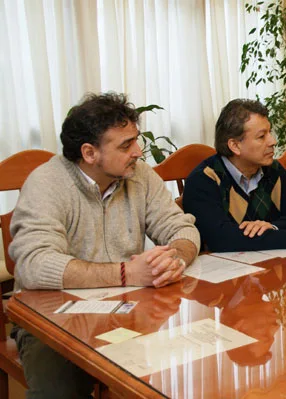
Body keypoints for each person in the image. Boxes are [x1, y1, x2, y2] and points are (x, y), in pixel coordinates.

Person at [8, 92, 200, 398]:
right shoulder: (46, 183)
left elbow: (182, 228)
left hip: (128, 308)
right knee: (60, 391)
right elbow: (34, 265)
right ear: (89, 153)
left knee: (177, 368)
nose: (139, 152)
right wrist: (127, 274)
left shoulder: (140, 176)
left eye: (136, 140)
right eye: (126, 145)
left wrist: (174, 257)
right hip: (52, 316)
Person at [183, 99, 286, 252]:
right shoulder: (204, 179)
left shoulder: (272, 169)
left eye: (269, 132)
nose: (273, 141)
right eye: (261, 136)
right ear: (235, 146)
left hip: (270, 266)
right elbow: (221, 239)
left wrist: (272, 227)